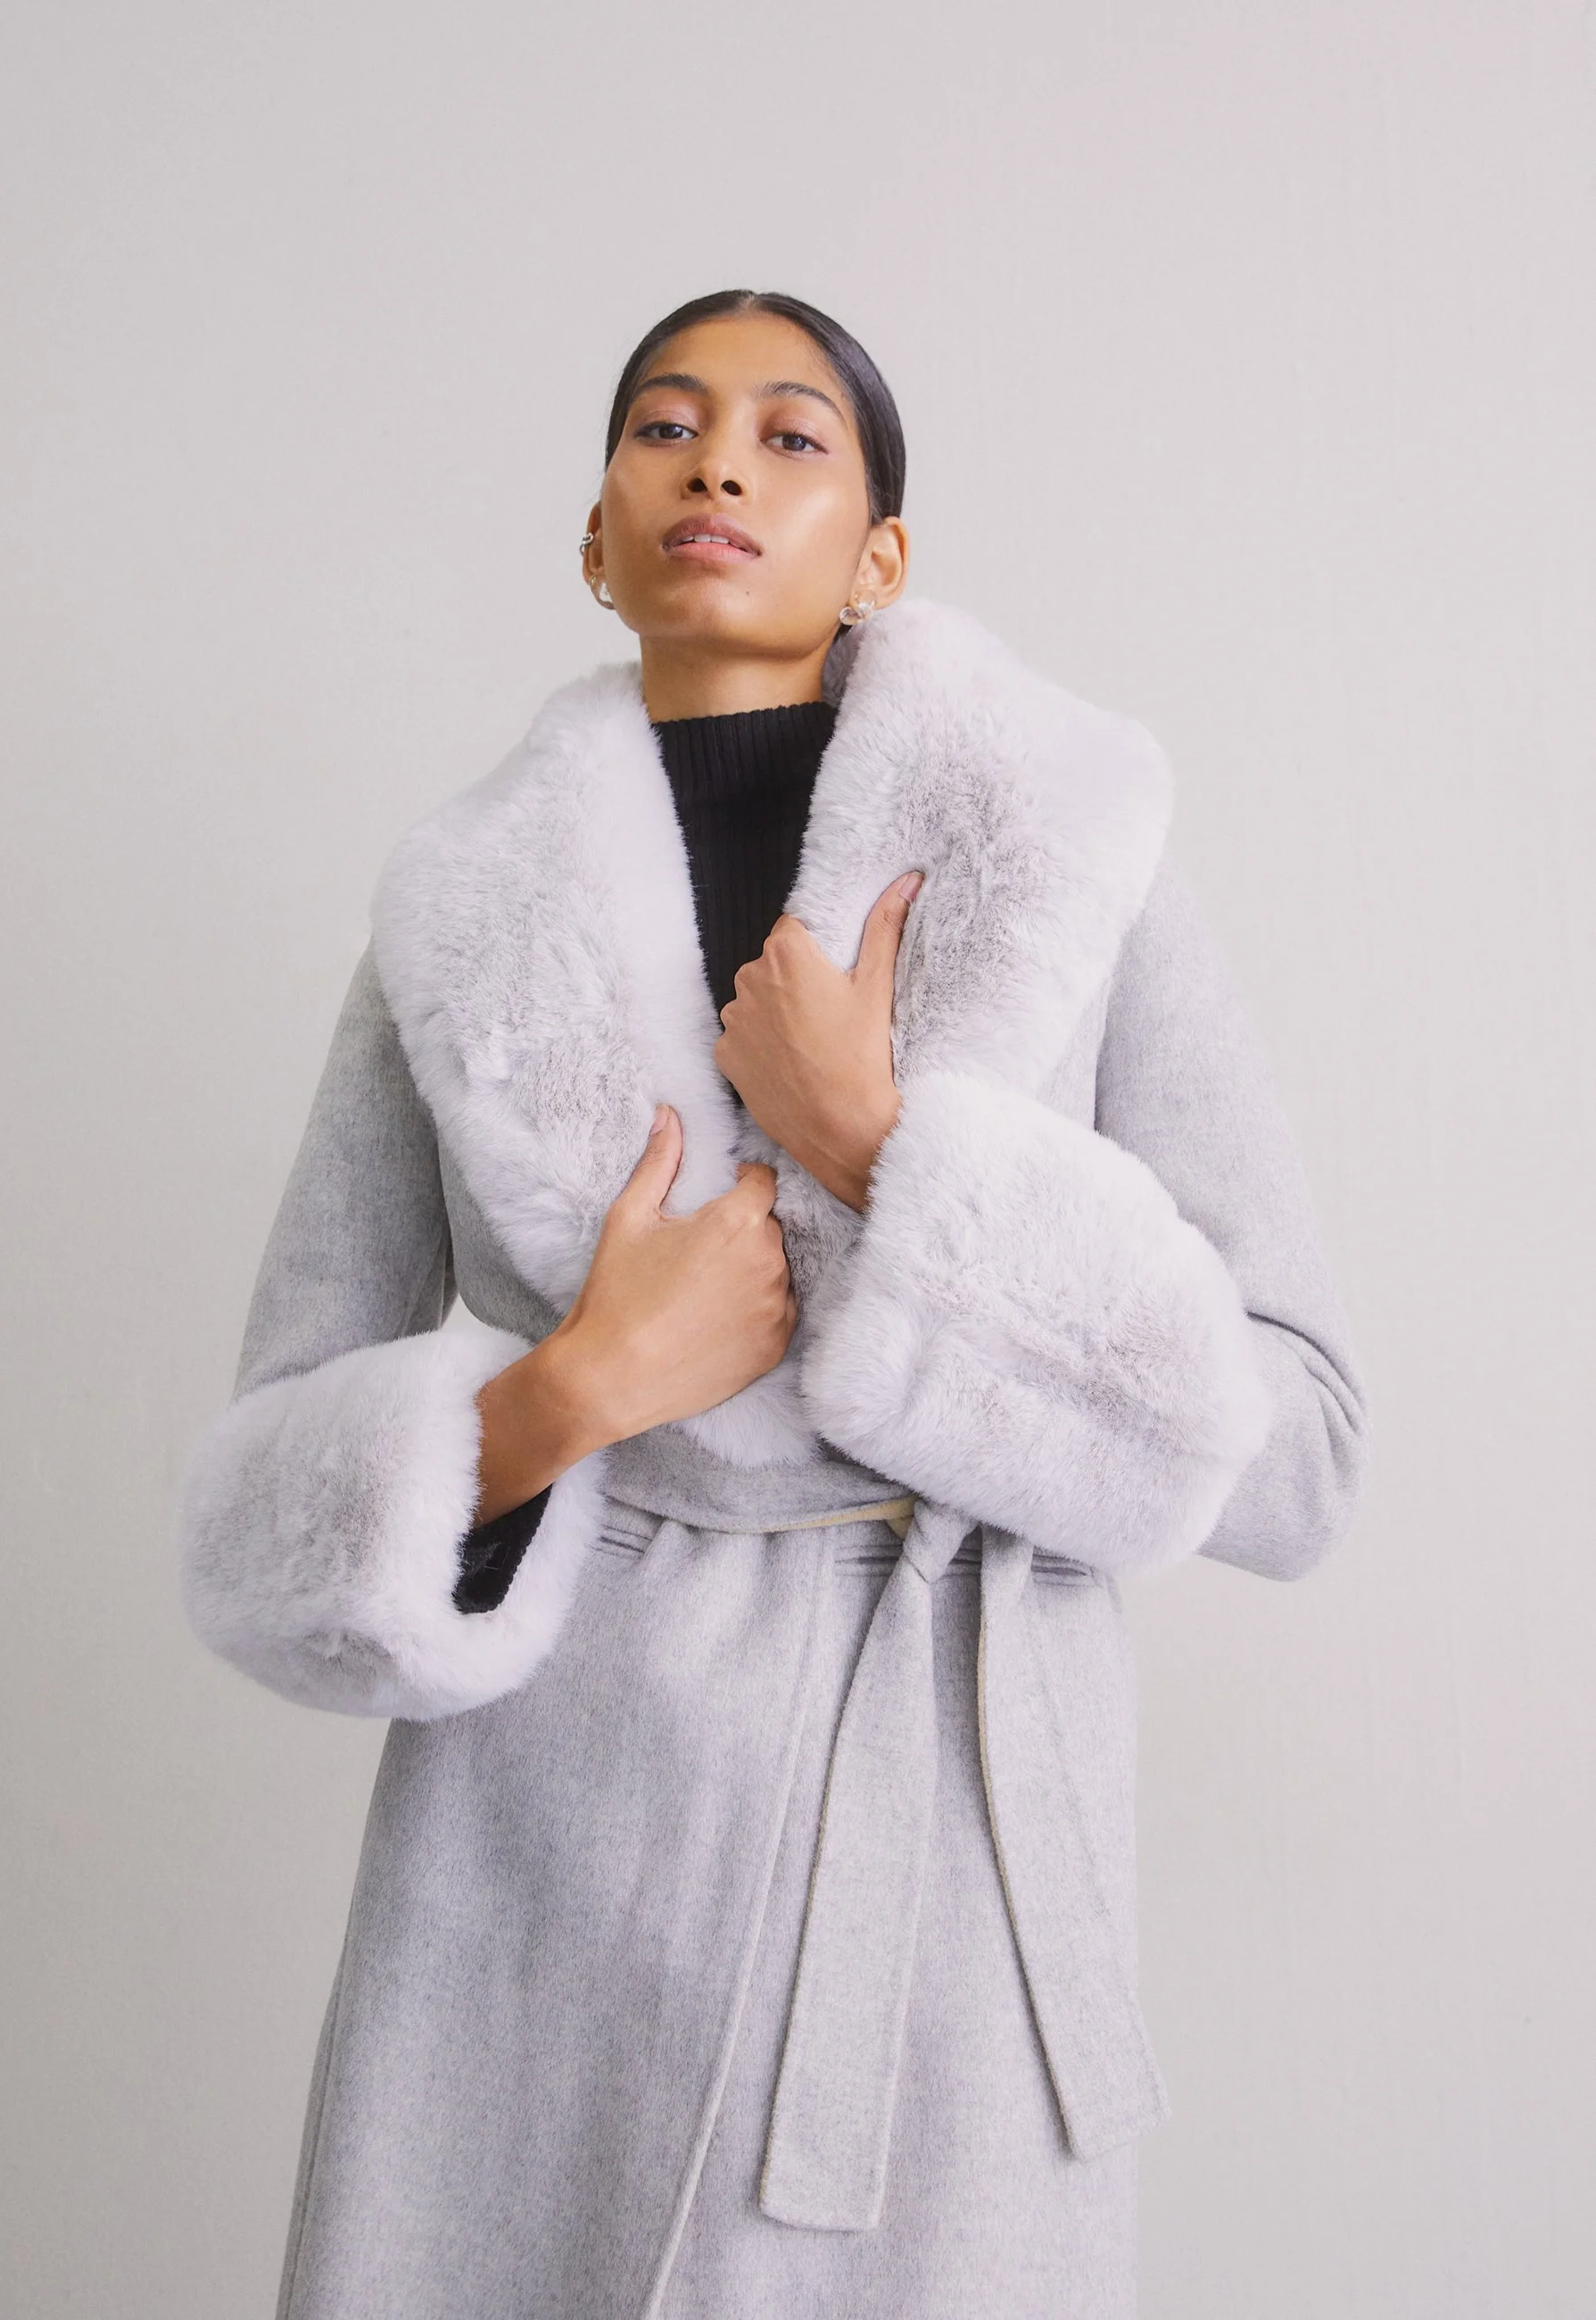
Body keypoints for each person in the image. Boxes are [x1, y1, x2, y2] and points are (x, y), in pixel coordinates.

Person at [179, 288, 1369, 2320]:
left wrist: (889, 1157)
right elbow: (268, 1533)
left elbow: (1305, 1453)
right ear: (597, 534)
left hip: (945, 1885)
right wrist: (573, 1391)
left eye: (790, 433)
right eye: (664, 424)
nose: (717, 460)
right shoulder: (455, 929)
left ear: (882, 554)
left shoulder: (1074, 874)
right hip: (540, 1899)